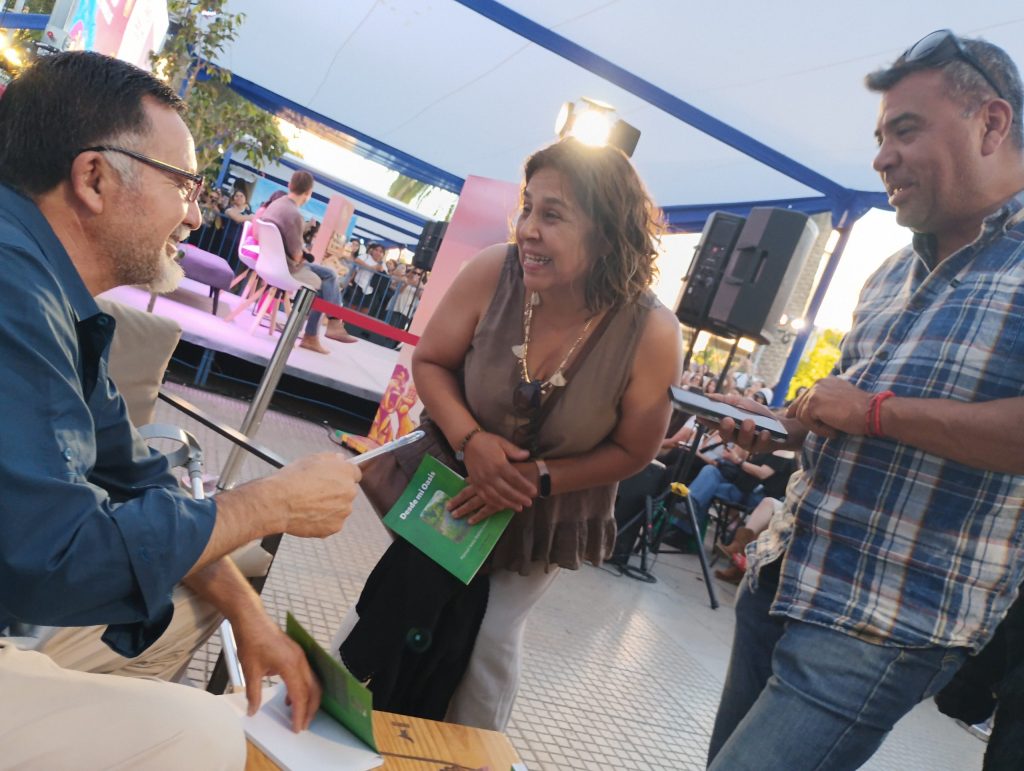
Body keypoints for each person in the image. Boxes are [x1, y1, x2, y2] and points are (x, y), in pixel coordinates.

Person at [0, 51, 363, 768]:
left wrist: (249, 614)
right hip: (28, 588)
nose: (197, 214)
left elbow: (134, 472)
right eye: (186, 186)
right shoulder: (14, 292)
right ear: (94, 178)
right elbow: (55, 558)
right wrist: (270, 502)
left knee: (209, 589)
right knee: (208, 734)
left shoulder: (50, 294)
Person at [706, 30, 1024, 770]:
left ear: (992, 123)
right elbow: (844, 417)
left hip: (886, 618)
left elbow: (870, 411)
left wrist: (872, 411)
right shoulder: (887, 274)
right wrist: (788, 429)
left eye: (905, 130)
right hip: (785, 576)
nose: (881, 156)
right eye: (880, 137)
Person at [364, 137, 683, 731]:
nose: (528, 229)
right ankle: (346, 725)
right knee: (400, 606)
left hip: (547, 507)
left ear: (610, 232)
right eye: (527, 207)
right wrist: (471, 442)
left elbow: (636, 450)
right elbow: (430, 361)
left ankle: (467, 752)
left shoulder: (652, 332)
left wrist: (535, 478)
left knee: (488, 641)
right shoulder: (493, 270)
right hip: (453, 488)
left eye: (553, 214)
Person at [260, 170, 358, 350]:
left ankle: (327, 326)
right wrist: (303, 255)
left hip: (268, 261)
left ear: (290, 185)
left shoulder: (275, 205)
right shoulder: (294, 214)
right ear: (309, 193)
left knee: (328, 274)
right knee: (325, 282)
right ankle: (320, 331)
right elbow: (297, 255)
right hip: (287, 267)